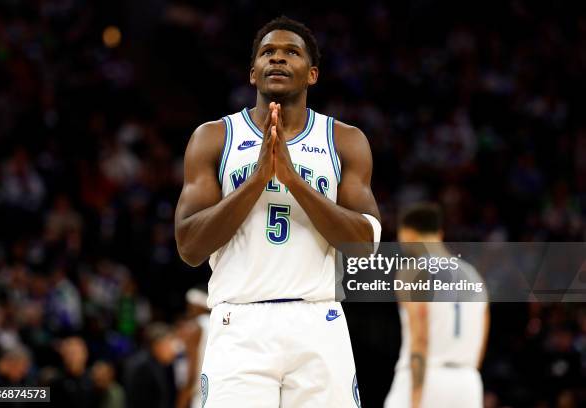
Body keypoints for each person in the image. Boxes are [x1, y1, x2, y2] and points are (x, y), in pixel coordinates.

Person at [175, 16, 381, 407]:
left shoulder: (345, 140)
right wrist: (256, 181)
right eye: (267, 52)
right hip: (239, 323)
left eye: (292, 52)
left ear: (312, 73)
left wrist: (291, 180)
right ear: (253, 73)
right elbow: (189, 246)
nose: (278, 59)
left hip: (318, 321)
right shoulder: (214, 137)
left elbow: (363, 247)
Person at [384, 203, 490, 408]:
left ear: (407, 233)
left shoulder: (413, 271)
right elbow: (481, 343)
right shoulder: (475, 276)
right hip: (468, 382)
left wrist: (415, 399)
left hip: (428, 378)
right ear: (439, 233)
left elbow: (420, 336)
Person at [123, 322, 180, 408]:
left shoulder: (161, 364)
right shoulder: (141, 367)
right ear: (157, 345)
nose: (174, 350)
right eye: (169, 344)